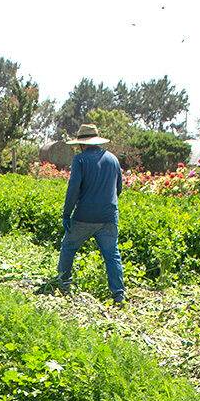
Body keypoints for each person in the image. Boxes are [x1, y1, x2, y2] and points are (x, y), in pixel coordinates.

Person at [55, 123, 125, 304]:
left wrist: (66, 214)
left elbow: (73, 189)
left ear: (81, 143)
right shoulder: (113, 159)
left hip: (84, 216)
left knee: (68, 247)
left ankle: (63, 283)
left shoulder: (80, 160)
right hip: (109, 216)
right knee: (112, 255)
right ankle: (118, 294)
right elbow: (119, 189)